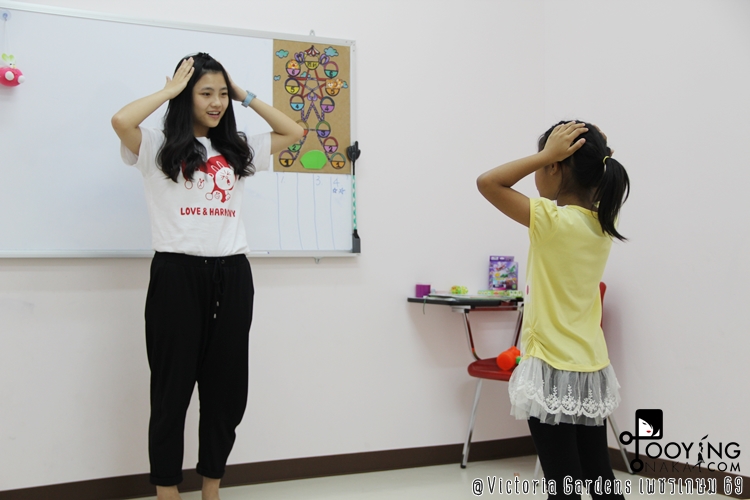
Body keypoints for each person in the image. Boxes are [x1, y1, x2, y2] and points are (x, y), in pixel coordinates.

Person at [111, 53, 304, 500]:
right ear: (186, 96)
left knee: (226, 392)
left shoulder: (237, 148)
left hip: (232, 274)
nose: (216, 103)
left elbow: (294, 131)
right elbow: (121, 120)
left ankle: (211, 487)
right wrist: (168, 91)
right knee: (171, 391)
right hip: (176, 276)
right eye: (205, 93)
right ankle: (167, 489)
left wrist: (243, 94)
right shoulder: (156, 145)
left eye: (221, 94)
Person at [477, 121, 630, 499]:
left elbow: (488, 182)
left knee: (563, 484)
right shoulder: (604, 222)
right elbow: (596, 172)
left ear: (555, 166)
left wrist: (546, 153)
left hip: (549, 367)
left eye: (545, 161)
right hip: (590, 367)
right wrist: (591, 150)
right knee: (599, 477)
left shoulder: (551, 220)